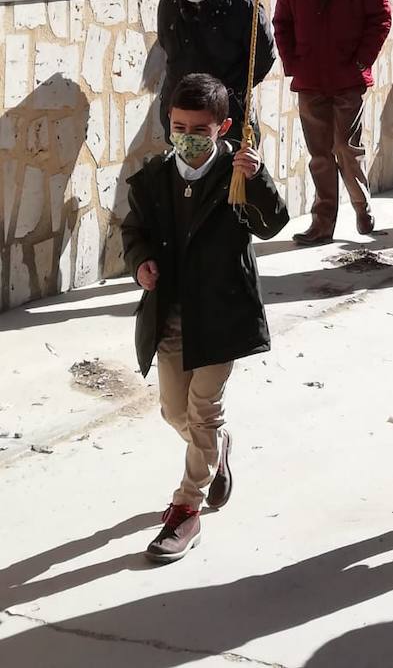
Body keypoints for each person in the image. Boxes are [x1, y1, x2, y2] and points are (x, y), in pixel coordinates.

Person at [121, 73, 289, 563]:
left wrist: (256, 181)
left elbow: (272, 222)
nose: (188, 137)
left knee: (203, 408)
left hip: (220, 315)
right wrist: (140, 262)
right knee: (175, 411)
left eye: (199, 128)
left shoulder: (237, 173)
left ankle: (186, 508)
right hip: (171, 313)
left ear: (223, 127)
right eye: (179, 126)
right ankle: (217, 449)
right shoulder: (155, 176)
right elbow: (135, 231)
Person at [273, 0, 392, 244]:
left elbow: (381, 15)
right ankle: (322, 223)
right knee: (320, 155)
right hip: (311, 80)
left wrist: (361, 60)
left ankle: (361, 206)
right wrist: (293, 63)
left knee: (346, 147)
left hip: (347, 77)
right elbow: (281, 22)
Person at [157, 0, 275, 145]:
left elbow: (263, 59)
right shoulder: (169, 3)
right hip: (179, 115)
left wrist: (229, 92)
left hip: (227, 117)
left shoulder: (244, 8)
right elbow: (166, 46)